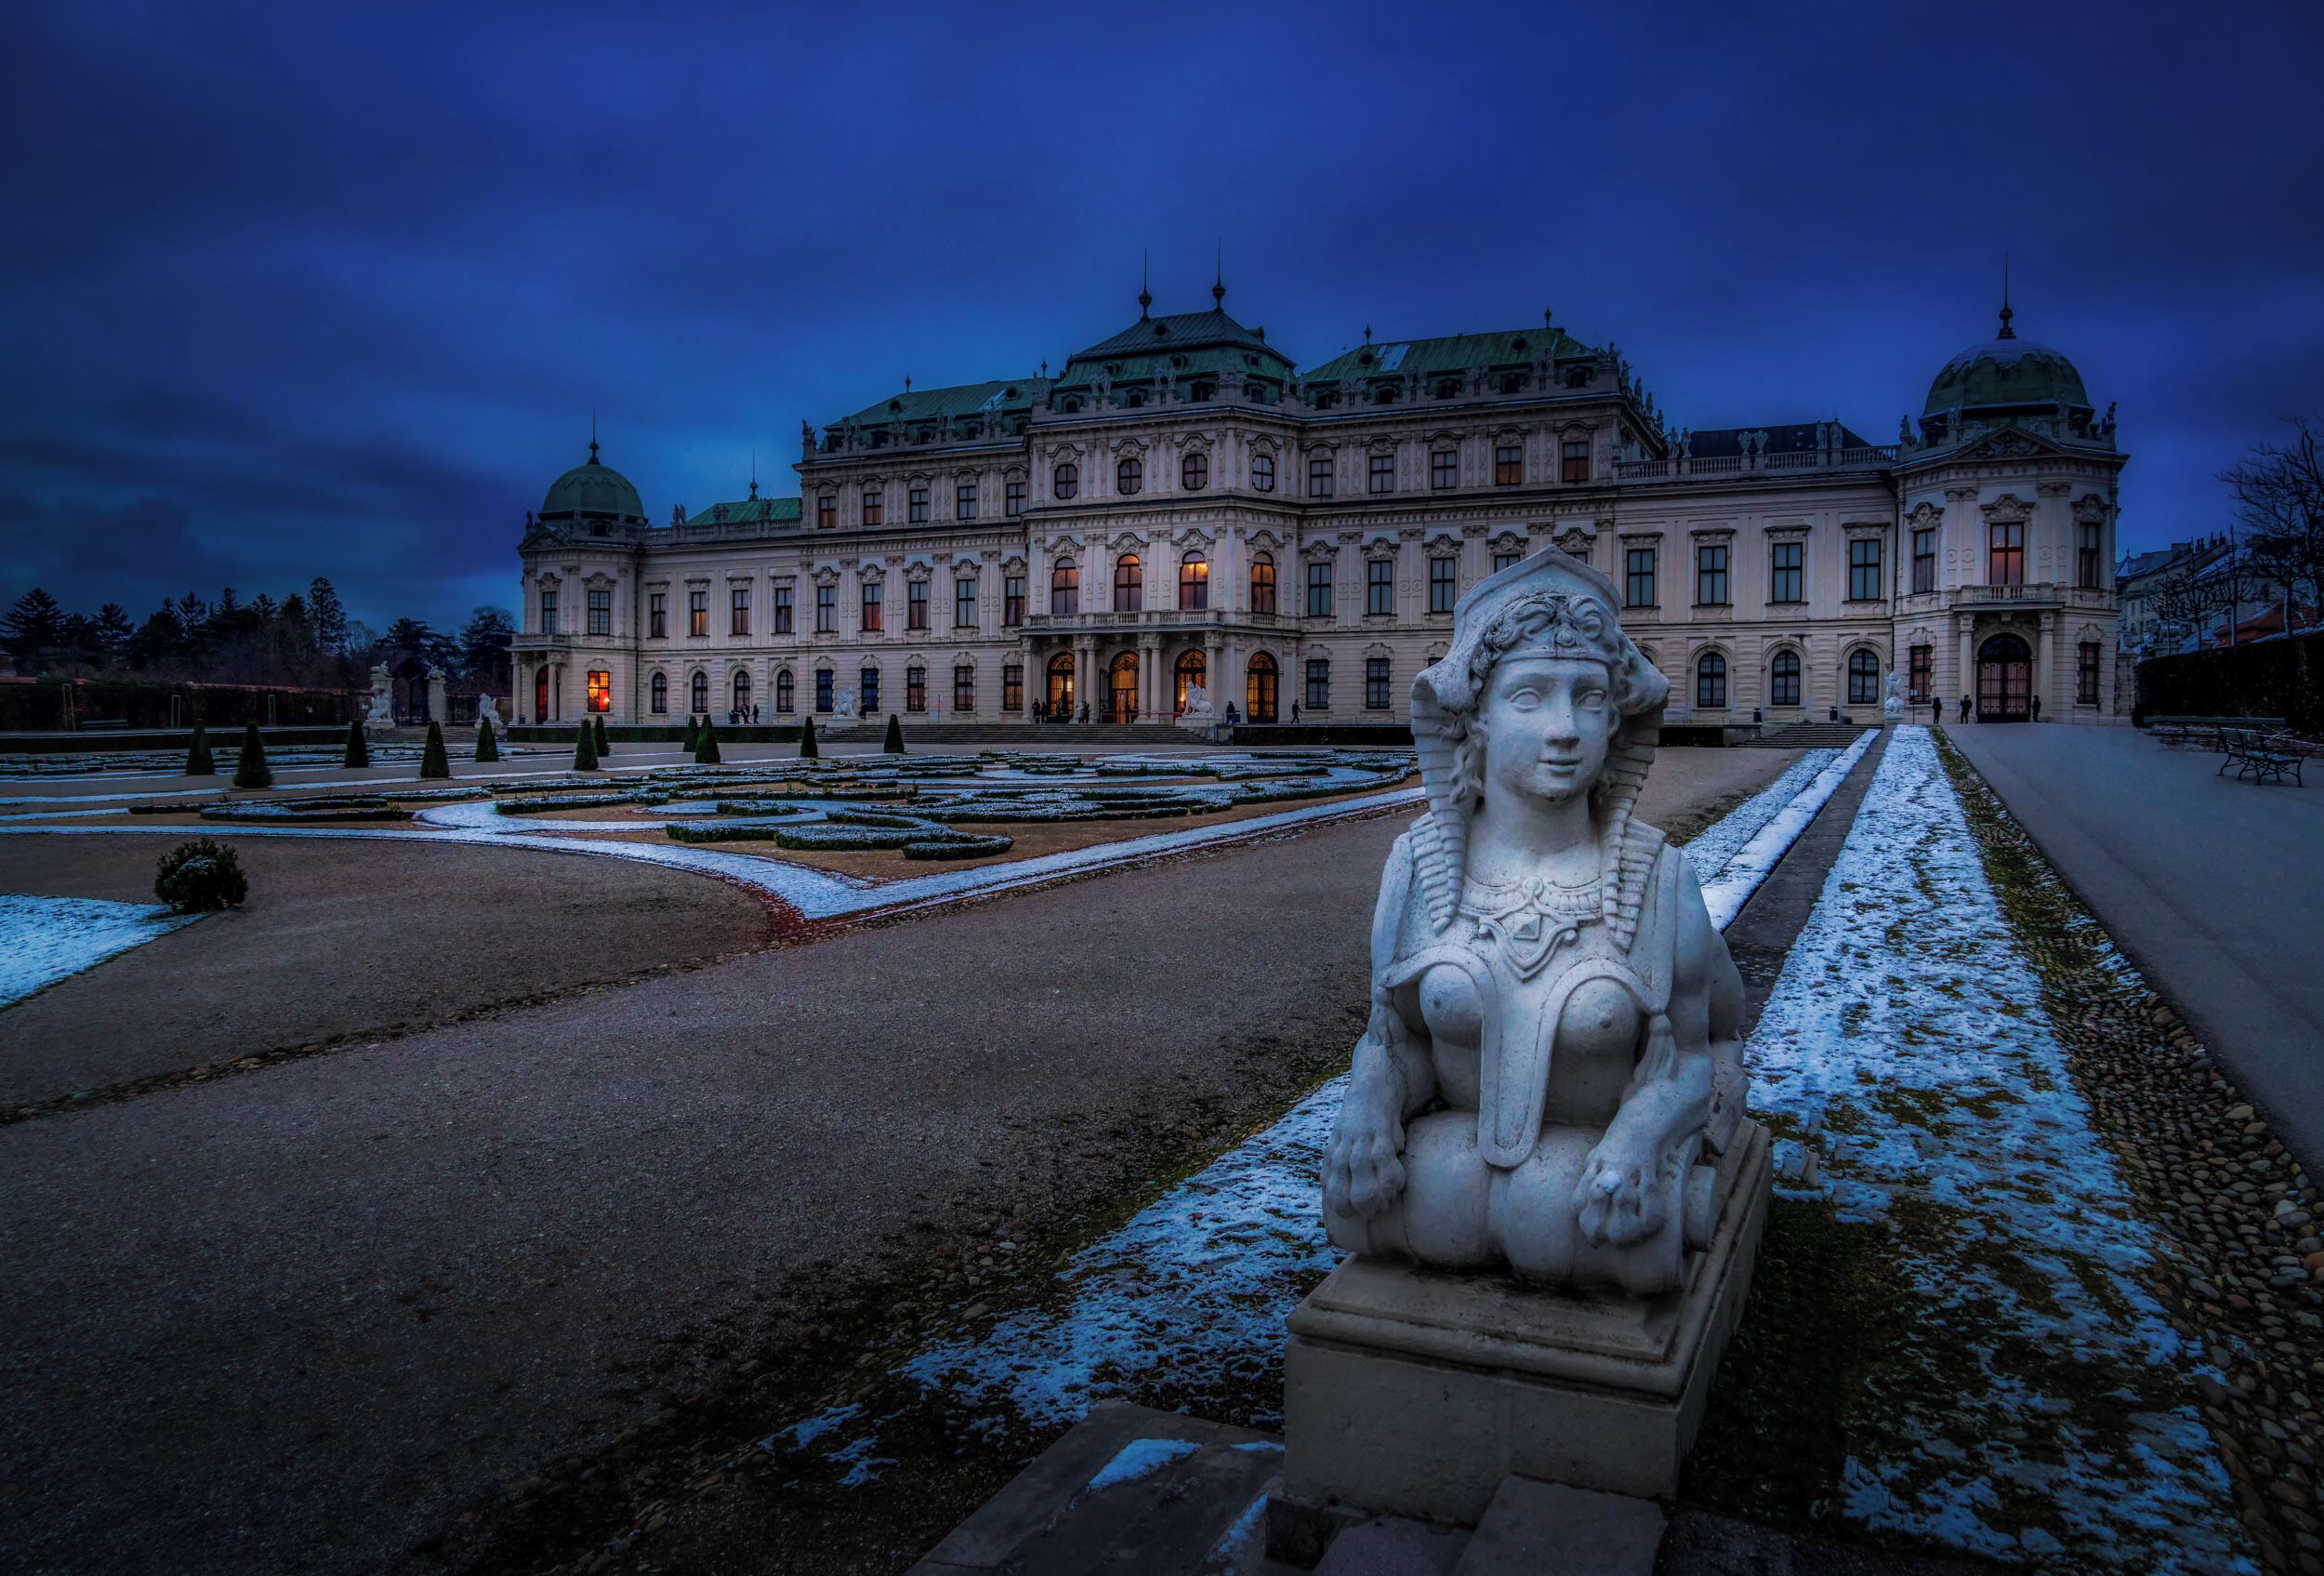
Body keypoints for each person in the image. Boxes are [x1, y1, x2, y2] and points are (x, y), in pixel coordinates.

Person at [1321, 550, 1745, 1292]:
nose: (1565, 728)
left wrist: (1640, 1137)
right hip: (1470, 1163)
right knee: (1453, 1198)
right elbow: (1396, 1038)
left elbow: (1687, 1056)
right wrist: (1370, 1098)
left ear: (1617, 719)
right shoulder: (1417, 866)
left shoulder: (1658, 878)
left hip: (1592, 1161)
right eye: (1529, 697)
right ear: (1474, 720)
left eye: (1589, 697)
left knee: (1556, 1211)